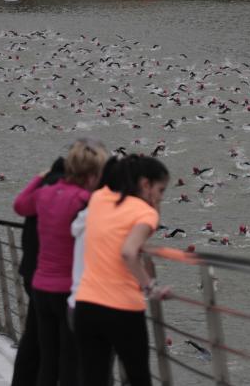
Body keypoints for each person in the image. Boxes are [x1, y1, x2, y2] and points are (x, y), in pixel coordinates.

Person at [14, 140, 108, 386]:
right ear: (90, 176)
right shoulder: (85, 201)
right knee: (70, 363)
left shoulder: (45, 193)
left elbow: (19, 205)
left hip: (40, 289)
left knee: (48, 361)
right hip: (68, 292)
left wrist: (38, 178)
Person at [75, 155, 170, 386]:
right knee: (138, 377)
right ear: (145, 184)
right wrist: (151, 287)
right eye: (161, 190)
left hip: (86, 305)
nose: (161, 197)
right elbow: (128, 251)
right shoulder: (145, 214)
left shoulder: (99, 198)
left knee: (93, 378)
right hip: (122, 309)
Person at [11, 156, 65, 386]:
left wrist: (37, 178)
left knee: (34, 339)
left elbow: (19, 205)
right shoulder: (67, 195)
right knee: (57, 347)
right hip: (55, 281)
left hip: (33, 275)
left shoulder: (38, 193)